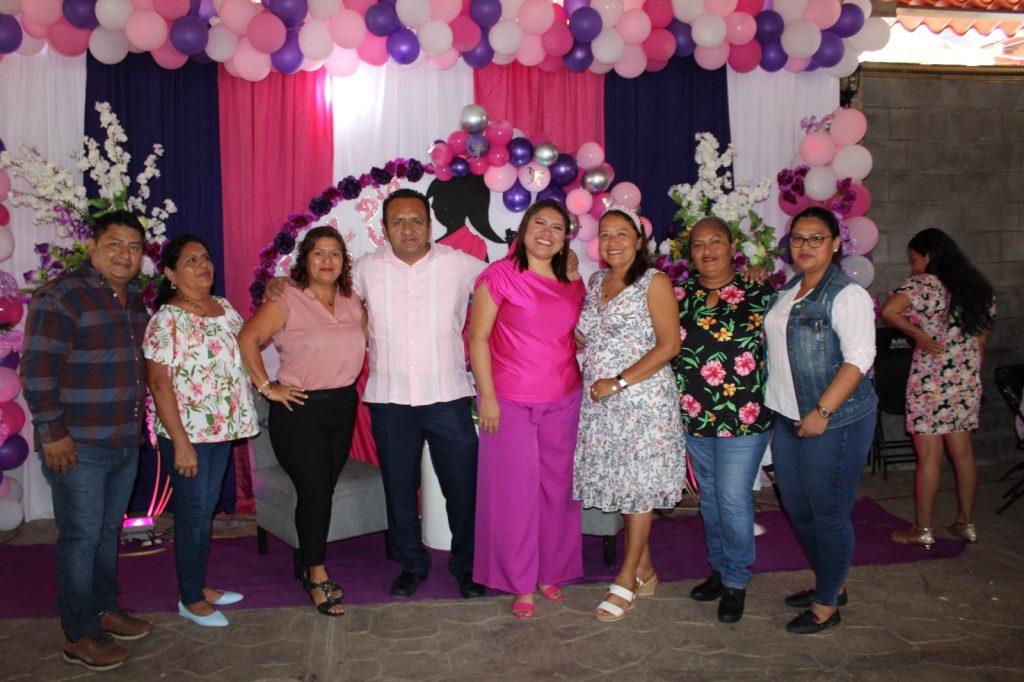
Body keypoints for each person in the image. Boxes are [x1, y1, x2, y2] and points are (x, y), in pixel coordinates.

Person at [21, 210, 153, 671]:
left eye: (134, 247)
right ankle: (79, 633)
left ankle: (104, 608)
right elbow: (37, 370)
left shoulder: (134, 301)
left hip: (123, 440)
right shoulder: (62, 295)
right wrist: (53, 435)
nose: (125, 254)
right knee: (80, 537)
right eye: (115, 244)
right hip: (77, 444)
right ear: (93, 247)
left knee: (105, 531)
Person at [354, 188, 486, 600]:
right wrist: (280, 287)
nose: (408, 229)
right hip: (390, 399)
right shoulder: (363, 269)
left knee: (463, 486)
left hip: (447, 394)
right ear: (384, 228)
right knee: (398, 488)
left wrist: (565, 263)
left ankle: (468, 565)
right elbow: (321, 291)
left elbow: (509, 280)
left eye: (416, 221)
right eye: (398, 222)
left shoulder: (460, 264)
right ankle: (411, 564)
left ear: (430, 225)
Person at [239, 226, 366, 616]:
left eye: (335, 253)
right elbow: (247, 339)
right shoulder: (287, 298)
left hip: (342, 407)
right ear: (304, 260)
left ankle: (308, 561)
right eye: (318, 253)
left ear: (344, 261)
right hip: (299, 411)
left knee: (322, 490)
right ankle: (316, 573)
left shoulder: (352, 301)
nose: (327, 260)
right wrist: (266, 387)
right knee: (314, 492)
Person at [469, 199, 586, 620]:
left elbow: (574, 336)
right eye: (540, 223)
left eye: (557, 227)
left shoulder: (572, 280)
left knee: (557, 493)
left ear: (565, 239)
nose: (547, 233)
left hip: (564, 400)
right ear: (523, 228)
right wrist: (488, 398)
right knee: (515, 497)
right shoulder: (498, 276)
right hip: (510, 403)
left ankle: (550, 571)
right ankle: (520, 582)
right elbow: (478, 339)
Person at [763, 206, 877, 635]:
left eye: (816, 238)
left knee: (828, 512)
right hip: (788, 418)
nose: (805, 246)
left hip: (834, 420)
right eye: (798, 238)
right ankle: (832, 581)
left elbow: (859, 358)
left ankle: (827, 603)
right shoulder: (788, 290)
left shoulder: (846, 294)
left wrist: (822, 412)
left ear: (834, 244)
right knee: (798, 509)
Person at [573, 206, 685, 622]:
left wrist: (619, 382)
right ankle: (646, 570)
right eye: (605, 234)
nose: (612, 241)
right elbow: (585, 336)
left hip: (642, 401)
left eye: (622, 233)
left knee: (638, 488)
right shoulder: (597, 281)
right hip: (603, 405)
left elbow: (669, 345)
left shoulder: (654, 282)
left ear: (639, 241)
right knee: (625, 485)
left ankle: (627, 580)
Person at [143, 235, 258, 627]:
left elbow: (247, 349)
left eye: (205, 258)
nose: (202, 265)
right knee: (192, 514)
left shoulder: (223, 308)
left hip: (219, 430)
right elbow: (159, 384)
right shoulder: (166, 320)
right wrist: (180, 444)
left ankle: (199, 584)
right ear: (171, 273)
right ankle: (190, 599)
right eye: (190, 260)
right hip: (188, 435)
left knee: (203, 512)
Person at [673, 216, 775, 624]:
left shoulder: (760, 290)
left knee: (732, 497)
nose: (707, 250)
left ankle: (736, 578)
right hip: (695, 416)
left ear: (732, 247)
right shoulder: (679, 295)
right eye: (699, 244)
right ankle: (718, 567)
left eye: (716, 241)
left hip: (745, 416)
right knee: (712, 498)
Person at [882, 228, 995, 547]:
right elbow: (981, 341)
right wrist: (968, 373)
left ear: (928, 256)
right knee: (963, 454)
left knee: (929, 456)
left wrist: (919, 336)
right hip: (966, 380)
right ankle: (965, 523)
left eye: (914, 259)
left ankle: (922, 528)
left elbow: (889, 311)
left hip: (930, 381)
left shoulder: (924, 284)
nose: (913, 266)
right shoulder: (978, 287)